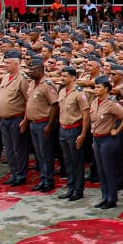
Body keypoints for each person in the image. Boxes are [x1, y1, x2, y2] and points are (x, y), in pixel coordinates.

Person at [89, 75, 123, 209]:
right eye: (95, 87)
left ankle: (112, 198)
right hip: (97, 139)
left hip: (108, 139)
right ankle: (105, 196)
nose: (95, 89)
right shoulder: (95, 102)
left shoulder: (111, 104)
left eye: (98, 87)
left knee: (109, 170)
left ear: (106, 89)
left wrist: (117, 130)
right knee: (101, 170)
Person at [0, 50, 30, 186]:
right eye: (5, 62)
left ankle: (21, 175)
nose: (5, 65)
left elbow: (28, 101)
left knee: (18, 149)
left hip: (16, 118)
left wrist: (25, 120)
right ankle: (14, 173)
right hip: (5, 119)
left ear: (17, 63)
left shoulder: (22, 79)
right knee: (9, 149)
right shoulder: (5, 77)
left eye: (8, 63)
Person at [56, 67, 90, 202]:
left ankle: (78, 189)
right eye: (62, 76)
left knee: (77, 161)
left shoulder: (79, 93)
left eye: (65, 76)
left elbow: (85, 115)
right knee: (68, 161)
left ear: (73, 78)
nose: (62, 78)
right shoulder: (62, 91)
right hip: (63, 129)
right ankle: (70, 187)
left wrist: (83, 134)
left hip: (74, 129)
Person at [25, 60, 58, 191]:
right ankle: (43, 179)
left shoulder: (47, 85)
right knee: (39, 154)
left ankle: (48, 181)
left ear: (40, 70)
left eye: (32, 70)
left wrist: (50, 125)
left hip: (43, 123)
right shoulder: (32, 83)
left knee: (46, 154)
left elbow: (54, 105)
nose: (30, 72)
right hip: (33, 123)